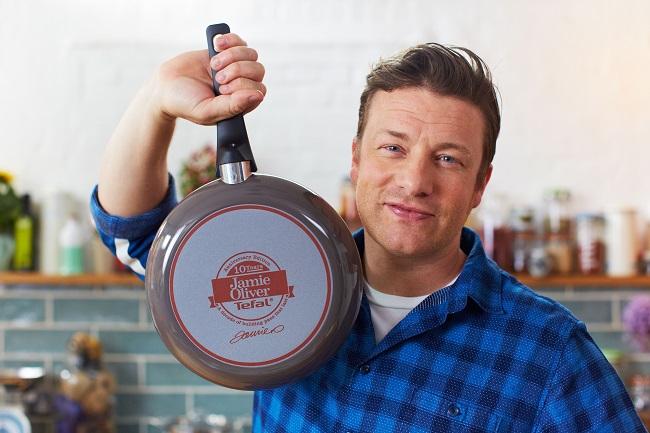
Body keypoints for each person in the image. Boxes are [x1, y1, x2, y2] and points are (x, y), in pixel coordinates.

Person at [91, 33, 646, 432]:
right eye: (393, 148)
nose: (415, 181)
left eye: (448, 159)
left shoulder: (550, 353)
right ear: (356, 160)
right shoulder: (289, 273)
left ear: (480, 184)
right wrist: (157, 100)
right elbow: (134, 233)